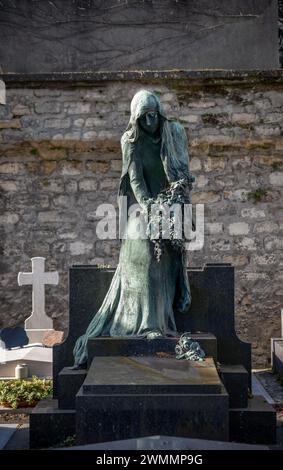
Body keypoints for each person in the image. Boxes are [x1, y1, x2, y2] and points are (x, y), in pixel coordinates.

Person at [72, 89, 193, 368]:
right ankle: (146, 322)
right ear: (135, 118)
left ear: (159, 113)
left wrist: (172, 202)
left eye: (153, 115)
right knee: (146, 247)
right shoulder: (130, 140)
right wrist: (150, 207)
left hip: (173, 206)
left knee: (167, 246)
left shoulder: (173, 133)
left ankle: (161, 319)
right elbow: (135, 179)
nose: (150, 121)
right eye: (144, 117)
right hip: (144, 206)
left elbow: (182, 174)